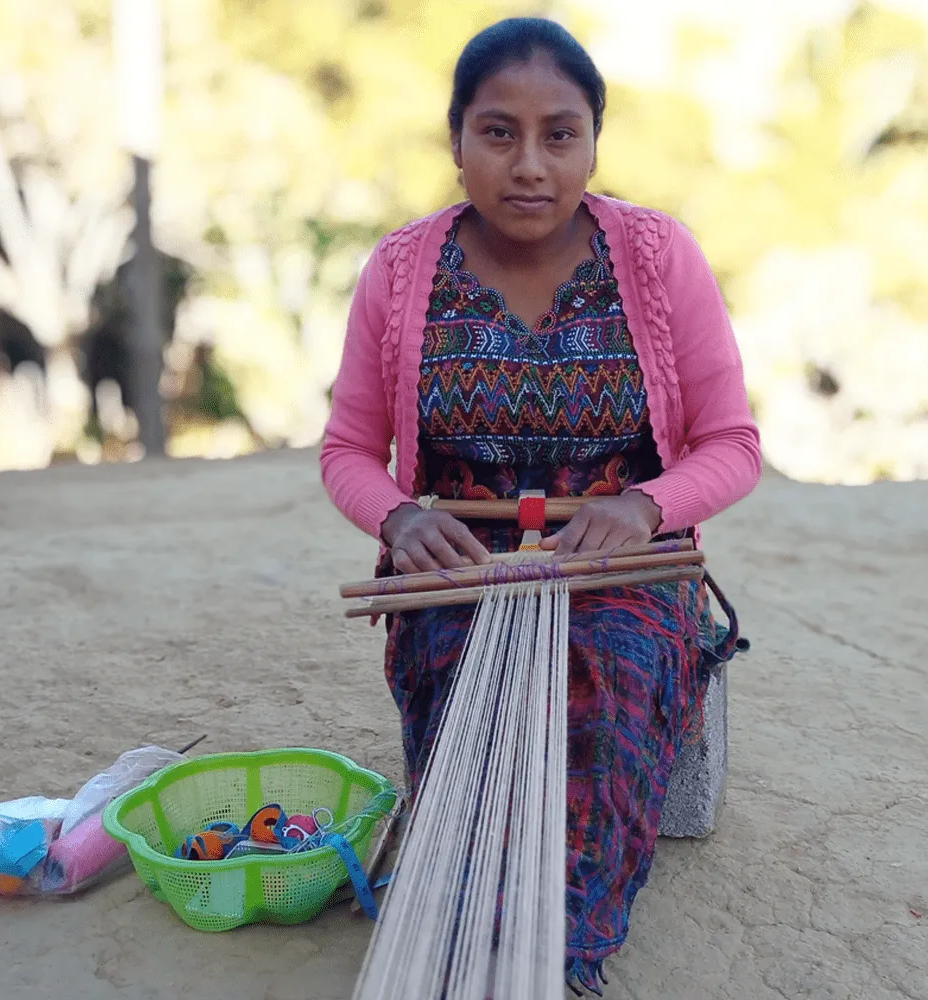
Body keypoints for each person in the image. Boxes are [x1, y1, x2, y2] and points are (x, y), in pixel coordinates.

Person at [321, 16, 761, 996]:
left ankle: (555, 960)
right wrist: (397, 518)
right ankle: (467, 918)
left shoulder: (656, 256)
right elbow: (350, 450)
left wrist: (647, 505)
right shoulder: (399, 272)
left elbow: (731, 446)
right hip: (460, 564)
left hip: (617, 559)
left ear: (594, 142)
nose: (529, 164)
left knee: (593, 683)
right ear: (455, 139)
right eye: (498, 132)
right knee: (471, 714)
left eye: (559, 133)